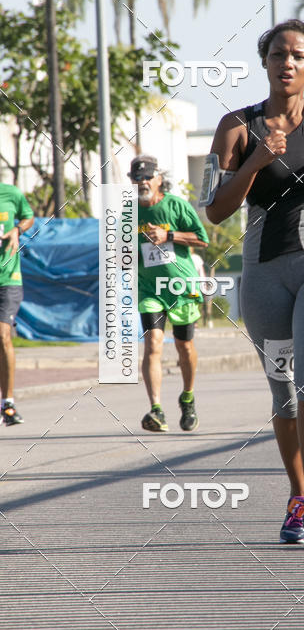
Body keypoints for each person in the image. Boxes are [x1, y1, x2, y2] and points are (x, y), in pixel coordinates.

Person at [206, 19, 304, 544]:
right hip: (263, 271)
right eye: (278, 54)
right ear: (266, 62)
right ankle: (297, 500)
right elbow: (214, 210)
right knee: (284, 394)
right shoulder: (236, 124)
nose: (288, 63)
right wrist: (256, 159)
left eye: (298, 55)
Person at [131, 155, 209, 433]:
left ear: (159, 179)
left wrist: (169, 236)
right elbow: (119, 253)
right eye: (136, 178)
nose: (142, 182)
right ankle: (156, 410)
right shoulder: (128, 213)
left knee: (184, 346)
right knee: (153, 343)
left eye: (147, 177)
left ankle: (187, 398)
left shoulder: (176, 206)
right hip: (149, 289)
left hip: (181, 287)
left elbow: (202, 239)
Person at [0, 182, 34, 425]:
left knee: (3, 335)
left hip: (8, 278)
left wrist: (17, 230)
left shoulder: (11, 193)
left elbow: (29, 216)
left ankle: (8, 403)